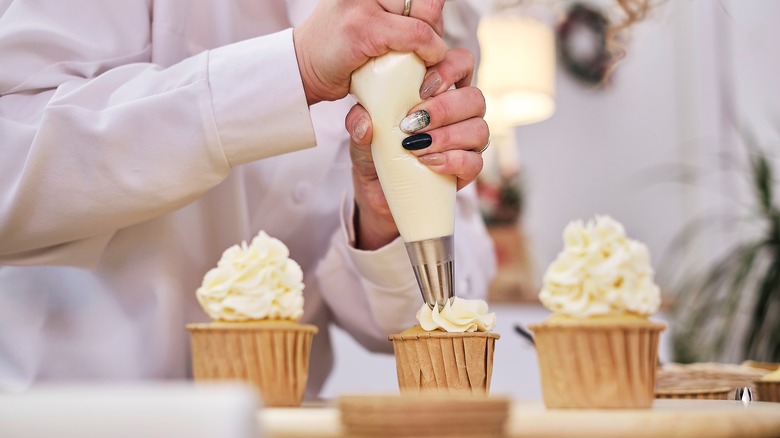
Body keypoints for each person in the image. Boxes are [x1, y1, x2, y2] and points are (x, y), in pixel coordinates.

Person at [0, 0, 495, 397]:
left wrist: (384, 217)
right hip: (67, 412)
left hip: (274, 423)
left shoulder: (441, 12)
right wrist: (293, 70)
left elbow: (428, 313)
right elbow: (11, 165)